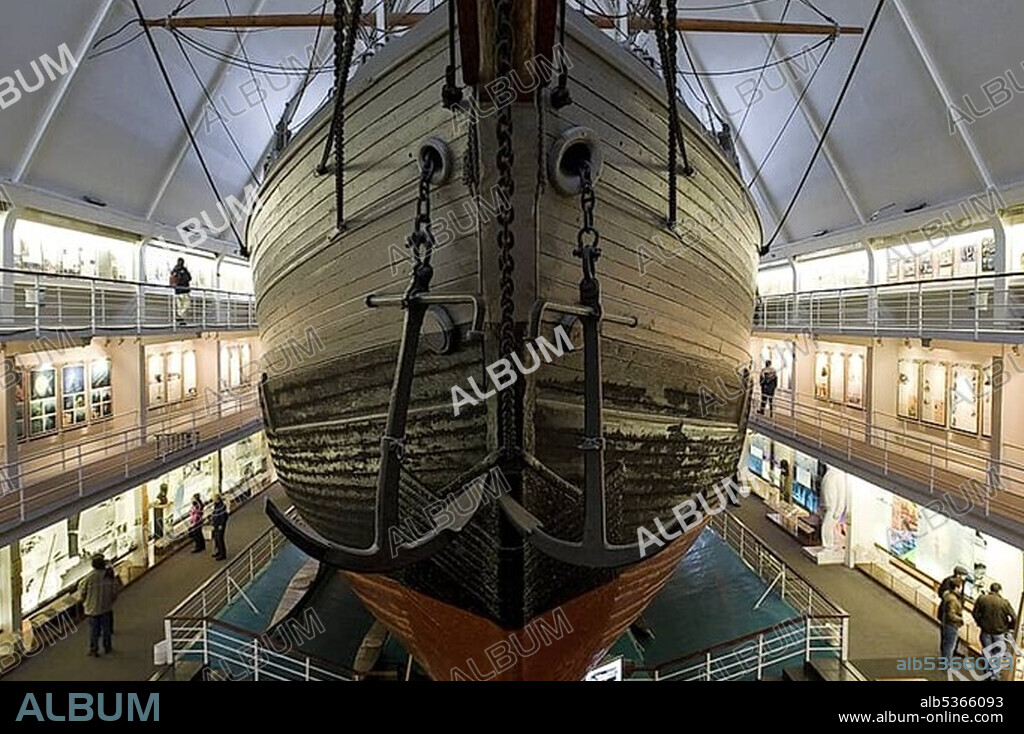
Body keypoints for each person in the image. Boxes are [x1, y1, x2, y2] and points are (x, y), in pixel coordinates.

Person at [972, 582, 1018, 680]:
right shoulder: (1004, 602)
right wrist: (1008, 627)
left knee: (987, 651)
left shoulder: (982, 599)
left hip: (986, 631)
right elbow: (1014, 617)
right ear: (999, 590)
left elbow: (975, 613)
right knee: (998, 654)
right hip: (999, 632)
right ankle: (994, 675)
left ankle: (988, 673)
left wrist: (980, 623)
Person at [76, 553, 117, 657]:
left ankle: (94, 650)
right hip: (106, 607)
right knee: (106, 629)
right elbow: (114, 591)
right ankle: (108, 647)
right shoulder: (108, 576)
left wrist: (85, 602)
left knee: (94, 630)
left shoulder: (88, 578)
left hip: (92, 609)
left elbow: (82, 593)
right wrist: (110, 601)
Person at [938, 576, 965, 661]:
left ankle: (944, 661)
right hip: (951, 624)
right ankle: (946, 663)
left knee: (946, 643)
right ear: (957, 587)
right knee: (949, 645)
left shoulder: (948, 595)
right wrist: (960, 619)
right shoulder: (953, 600)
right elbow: (951, 614)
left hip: (945, 622)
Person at [170, 258, 192, 325]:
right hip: (183, 290)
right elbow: (189, 278)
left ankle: (181, 318)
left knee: (181, 306)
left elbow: (172, 280)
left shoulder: (175, 270)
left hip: (178, 291)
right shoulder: (182, 270)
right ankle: (181, 317)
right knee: (186, 306)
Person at [211, 494, 228, 561]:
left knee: (220, 539)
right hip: (216, 525)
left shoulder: (221, 506)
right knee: (216, 539)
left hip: (219, 525)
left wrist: (221, 524)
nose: (213, 500)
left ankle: (222, 554)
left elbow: (222, 516)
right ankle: (219, 551)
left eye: (214, 499)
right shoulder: (217, 505)